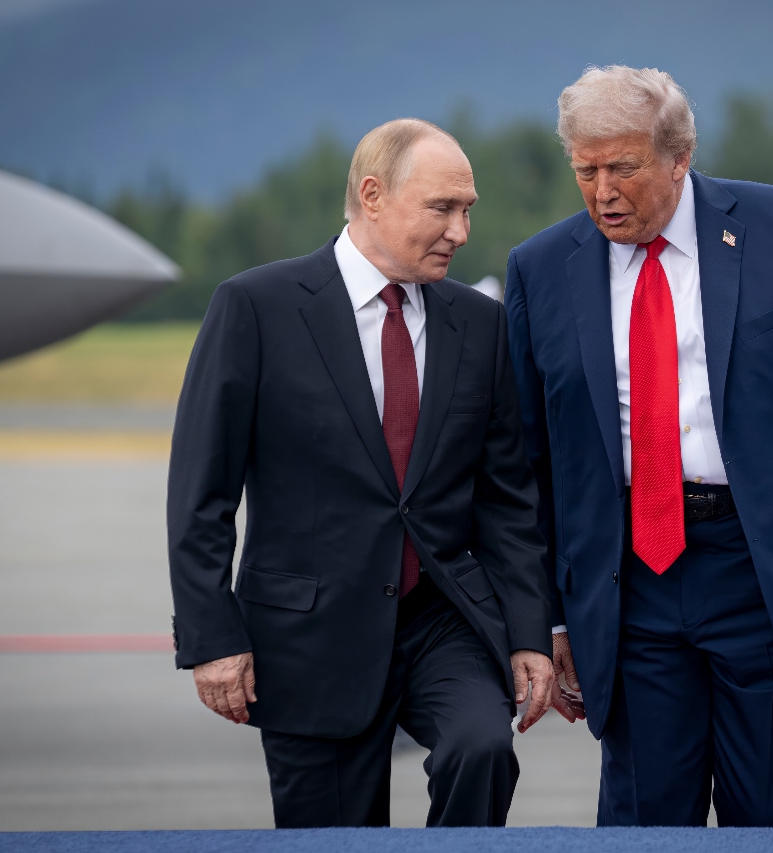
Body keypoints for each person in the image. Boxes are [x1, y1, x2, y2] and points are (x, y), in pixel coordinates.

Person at [504, 66, 773, 827]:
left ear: (679, 155)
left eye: (622, 167)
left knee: (766, 810)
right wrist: (549, 618)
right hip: (629, 581)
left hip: (762, 567)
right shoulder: (540, 269)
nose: (602, 192)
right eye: (585, 170)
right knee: (645, 816)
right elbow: (528, 464)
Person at [167, 118, 567, 828]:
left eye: (468, 209)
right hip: (310, 631)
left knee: (482, 748)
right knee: (333, 834)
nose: (462, 231)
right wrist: (213, 637)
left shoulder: (479, 324)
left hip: (441, 616)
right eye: (443, 208)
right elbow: (201, 492)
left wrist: (530, 632)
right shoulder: (255, 308)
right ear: (373, 195)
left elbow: (508, 501)